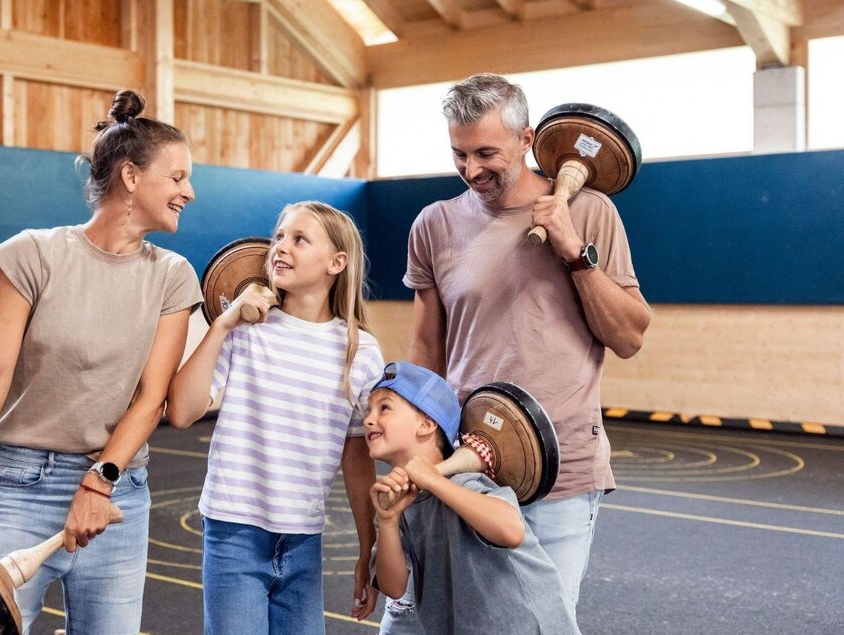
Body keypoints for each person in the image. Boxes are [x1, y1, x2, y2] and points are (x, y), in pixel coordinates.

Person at [0, 89, 202, 635]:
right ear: (131, 178)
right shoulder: (31, 254)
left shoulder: (172, 276)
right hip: (19, 485)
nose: (189, 191)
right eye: (178, 177)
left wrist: (99, 482)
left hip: (116, 495)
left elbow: (151, 397)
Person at [382, 73, 652, 631]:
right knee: (441, 621)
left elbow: (628, 337)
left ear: (528, 140)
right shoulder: (433, 225)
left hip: (560, 475)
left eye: (487, 153)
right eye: (459, 154)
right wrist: (418, 451)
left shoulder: (591, 210)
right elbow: (428, 350)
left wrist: (574, 251)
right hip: (465, 467)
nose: (472, 169)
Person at [166, 201, 384, 634]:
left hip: (303, 539)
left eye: (300, 239)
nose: (281, 247)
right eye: (280, 236)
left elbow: (357, 460)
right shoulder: (246, 332)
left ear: (336, 263)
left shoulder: (361, 353)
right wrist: (224, 323)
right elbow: (183, 412)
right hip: (234, 533)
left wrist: (367, 546)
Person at [366, 361, 579, 635]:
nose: (369, 419)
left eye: (384, 408)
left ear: (427, 423)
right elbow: (393, 587)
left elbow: (511, 531)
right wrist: (387, 521)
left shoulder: (465, 482)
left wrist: (432, 478)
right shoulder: (396, 503)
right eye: (368, 411)